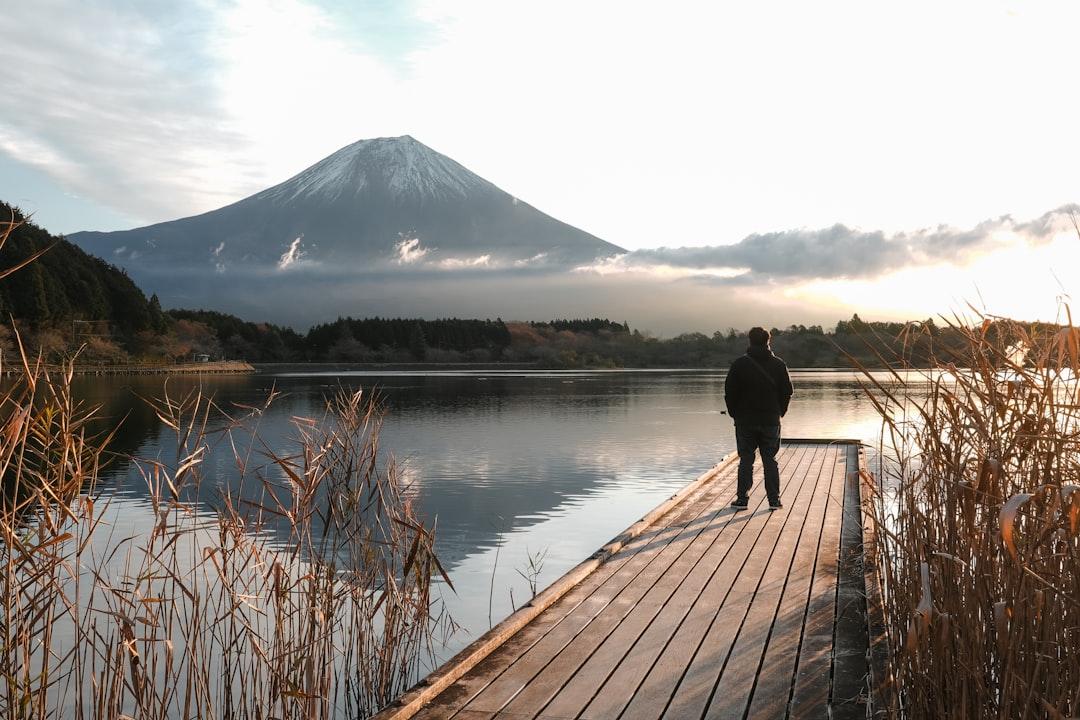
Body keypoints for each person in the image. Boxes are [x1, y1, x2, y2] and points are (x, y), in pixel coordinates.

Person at [723, 327, 794, 510]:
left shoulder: (739, 365)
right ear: (768, 341)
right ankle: (774, 500)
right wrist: (780, 412)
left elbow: (729, 393)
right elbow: (787, 392)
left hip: (745, 421)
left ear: (750, 341)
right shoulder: (779, 364)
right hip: (771, 420)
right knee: (770, 459)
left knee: (746, 459)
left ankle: (742, 499)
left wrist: (735, 414)